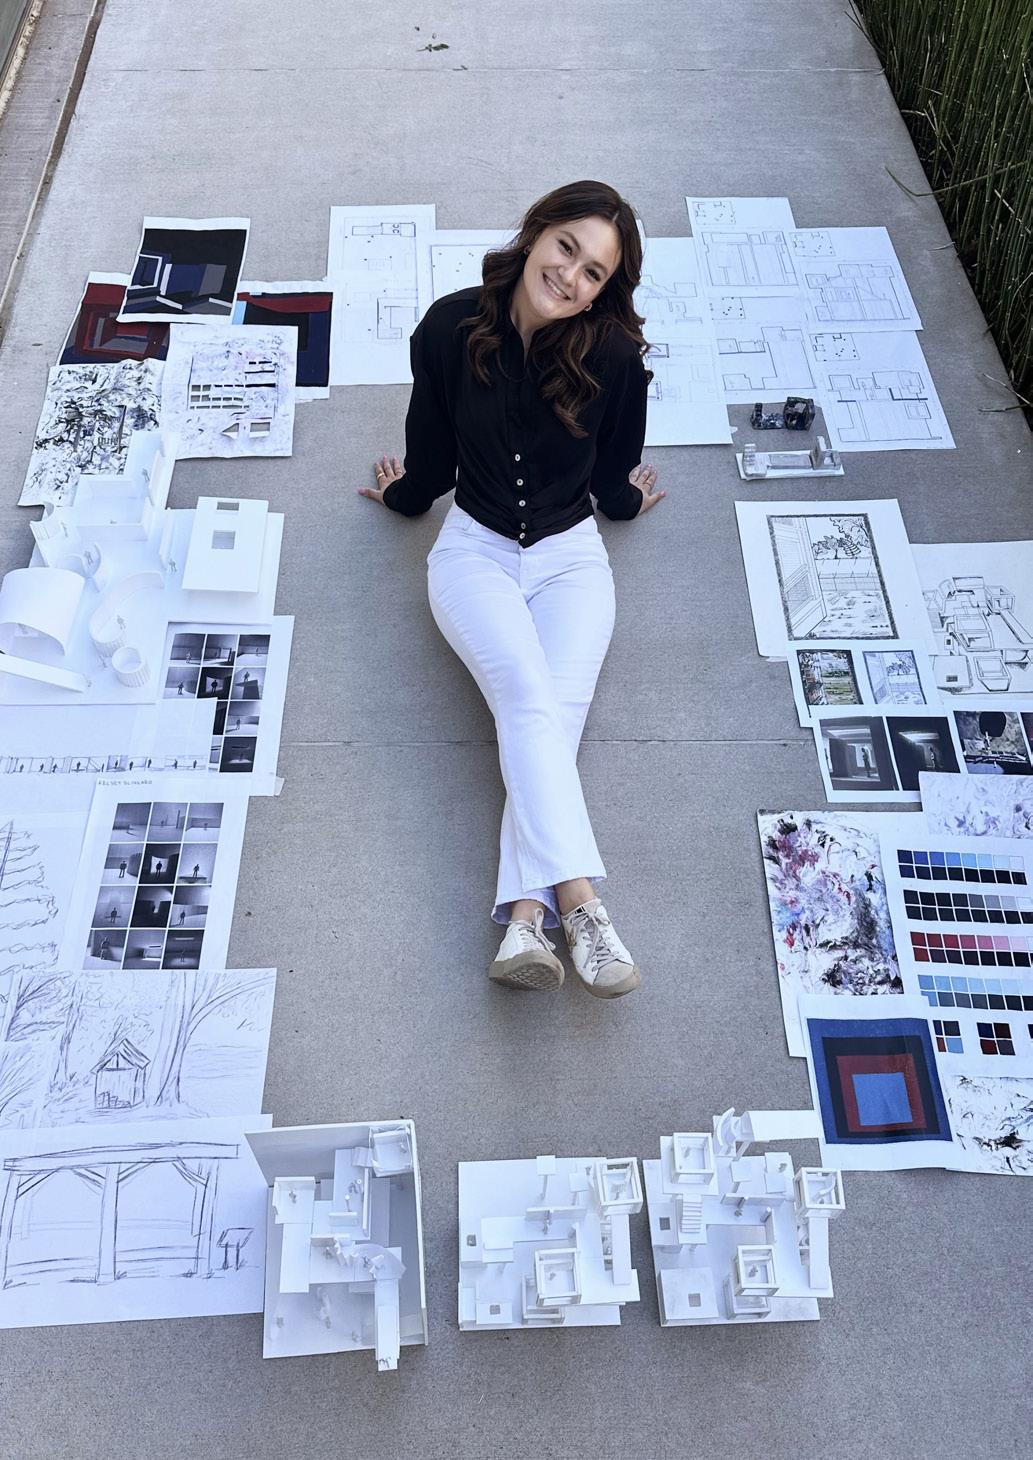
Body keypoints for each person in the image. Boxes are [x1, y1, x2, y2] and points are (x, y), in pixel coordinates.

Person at [359, 181, 664, 1000]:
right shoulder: (448, 328)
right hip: (474, 555)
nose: (570, 276)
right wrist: (402, 496)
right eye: (566, 248)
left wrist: (628, 503)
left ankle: (525, 924)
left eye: (594, 272)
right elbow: (430, 460)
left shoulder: (612, 357)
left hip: (570, 560)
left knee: (551, 722)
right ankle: (584, 907)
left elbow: (612, 473)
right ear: (535, 233)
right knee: (529, 702)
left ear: (604, 290)